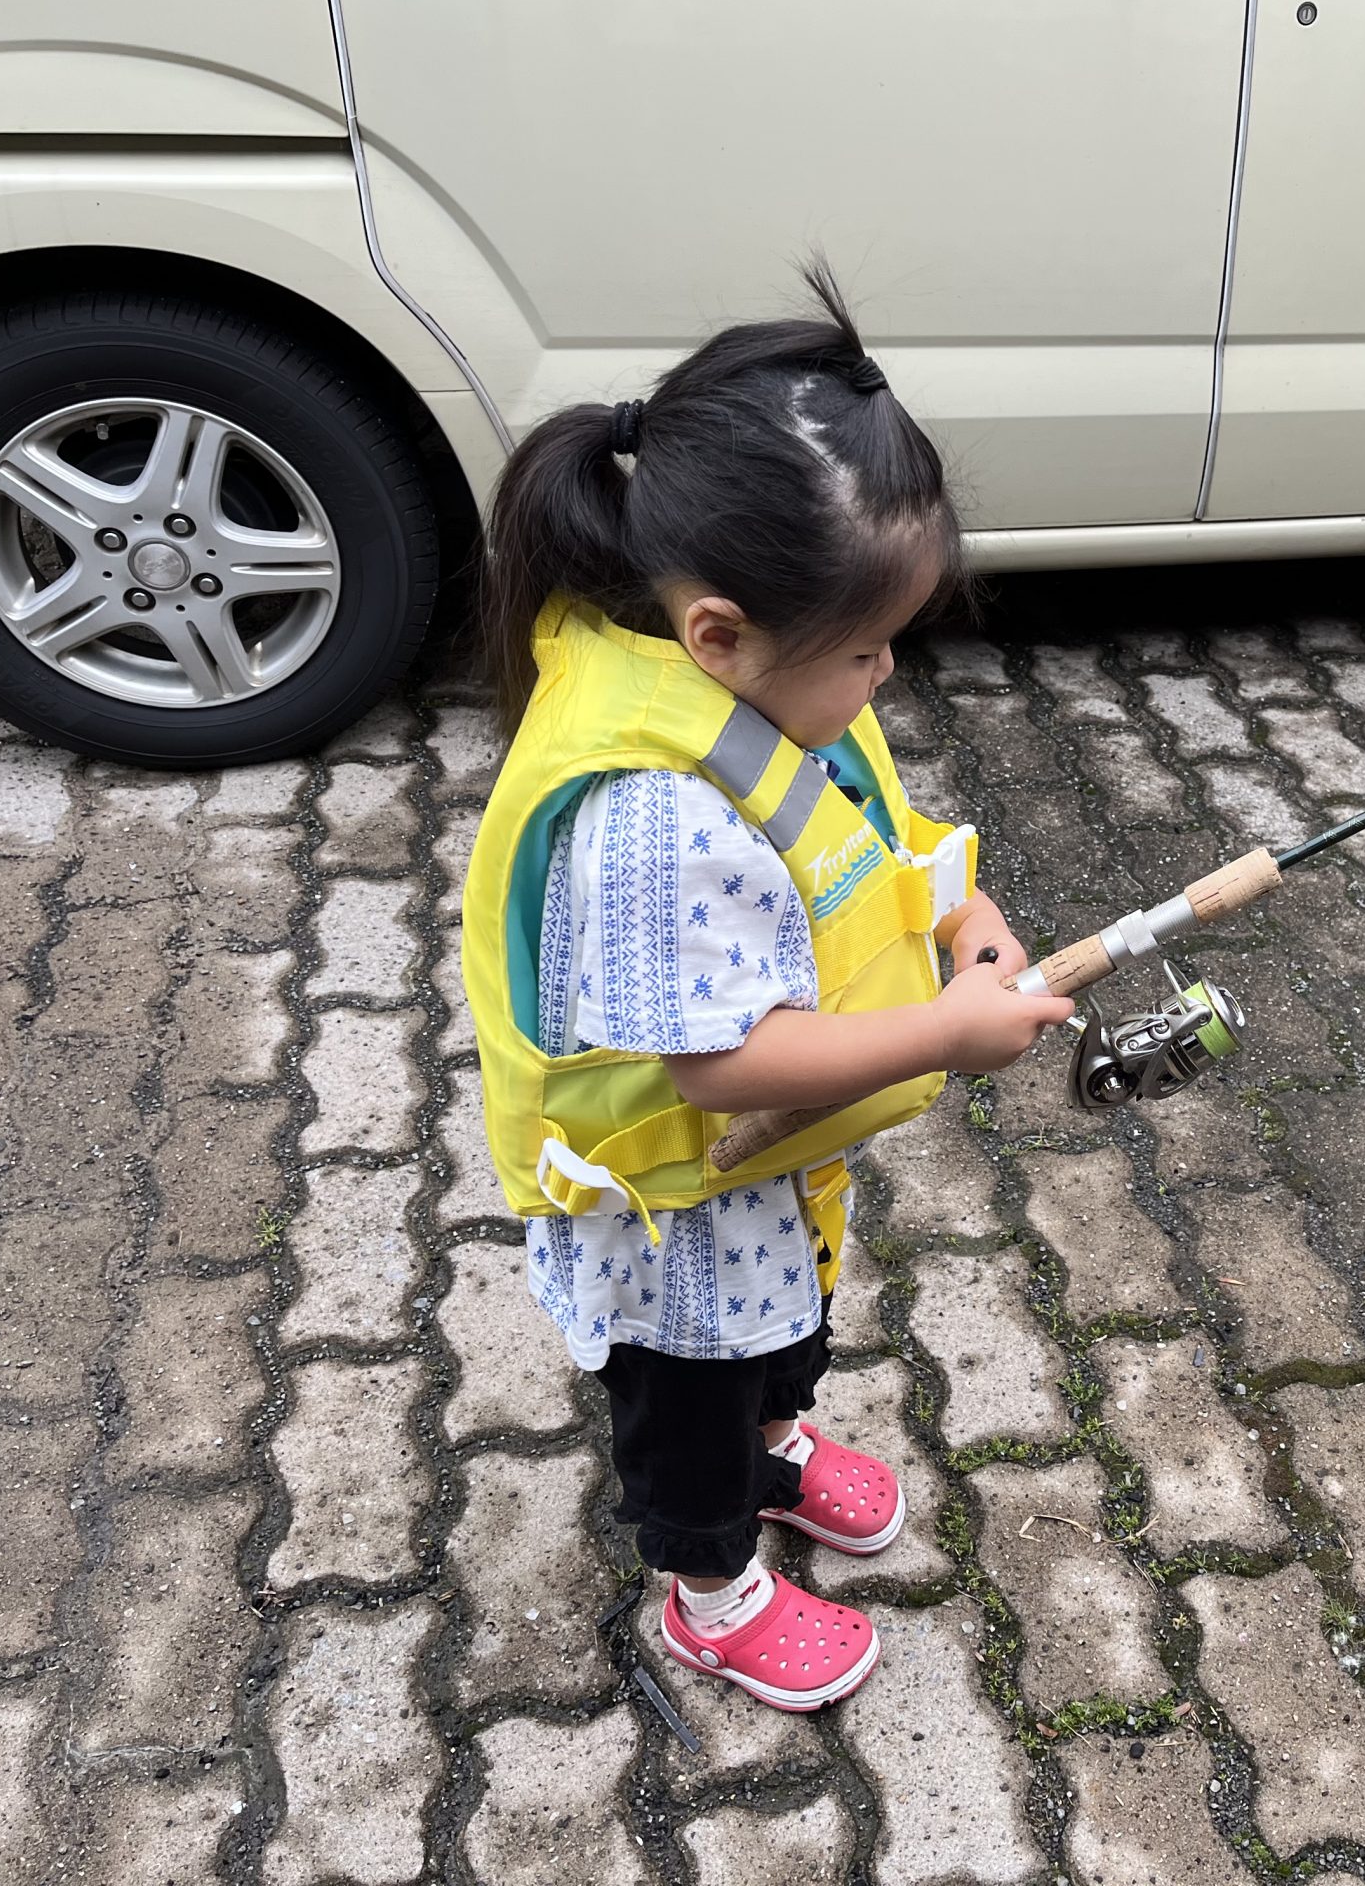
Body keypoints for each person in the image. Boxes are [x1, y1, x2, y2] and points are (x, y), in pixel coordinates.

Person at [458, 268, 1074, 1711]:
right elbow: (715, 1067)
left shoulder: (764, 699)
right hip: (675, 1201)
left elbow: (874, 847)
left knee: (784, 1334)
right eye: (865, 648)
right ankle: (712, 1589)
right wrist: (947, 1033)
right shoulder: (653, 818)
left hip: (770, 1179)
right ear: (720, 635)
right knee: (693, 1397)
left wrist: (964, 916)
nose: (886, 673)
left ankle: (776, 1445)